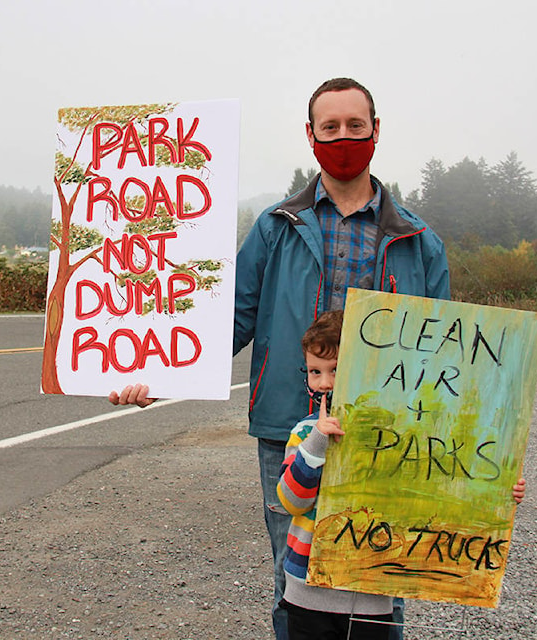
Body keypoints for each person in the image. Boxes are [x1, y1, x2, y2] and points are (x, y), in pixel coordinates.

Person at [111, 77, 450, 640]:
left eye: (355, 126)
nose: (343, 137)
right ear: (311, 136)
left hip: (384, 439)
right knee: (292, 579)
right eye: (330, 127)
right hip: (291, 432)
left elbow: (443, 358)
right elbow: (228, 324)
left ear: (376, 131)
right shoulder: (275, 228)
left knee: (382, 584)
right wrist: (155, 373)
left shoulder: (420, 241)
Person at [278, 311, 526, 640]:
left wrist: (498, 490)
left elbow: (440, 482)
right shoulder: (304, 434)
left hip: (372, 592)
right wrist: (318, 443)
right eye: (315, 371)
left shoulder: (397, 433)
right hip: (307, 593)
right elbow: (291, 501)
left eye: (336, 370)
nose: (324, 382)